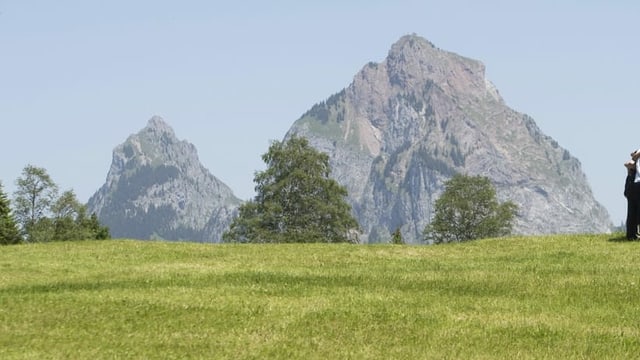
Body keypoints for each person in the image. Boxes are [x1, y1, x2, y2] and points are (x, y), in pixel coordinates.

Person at [624, 160, 637, 239]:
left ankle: (632, 234)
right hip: (632, 190)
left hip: (633, 190)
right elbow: (627, 164)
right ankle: (631, 234)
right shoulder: (633, 169)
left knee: (633, 214)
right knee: (632, 214)